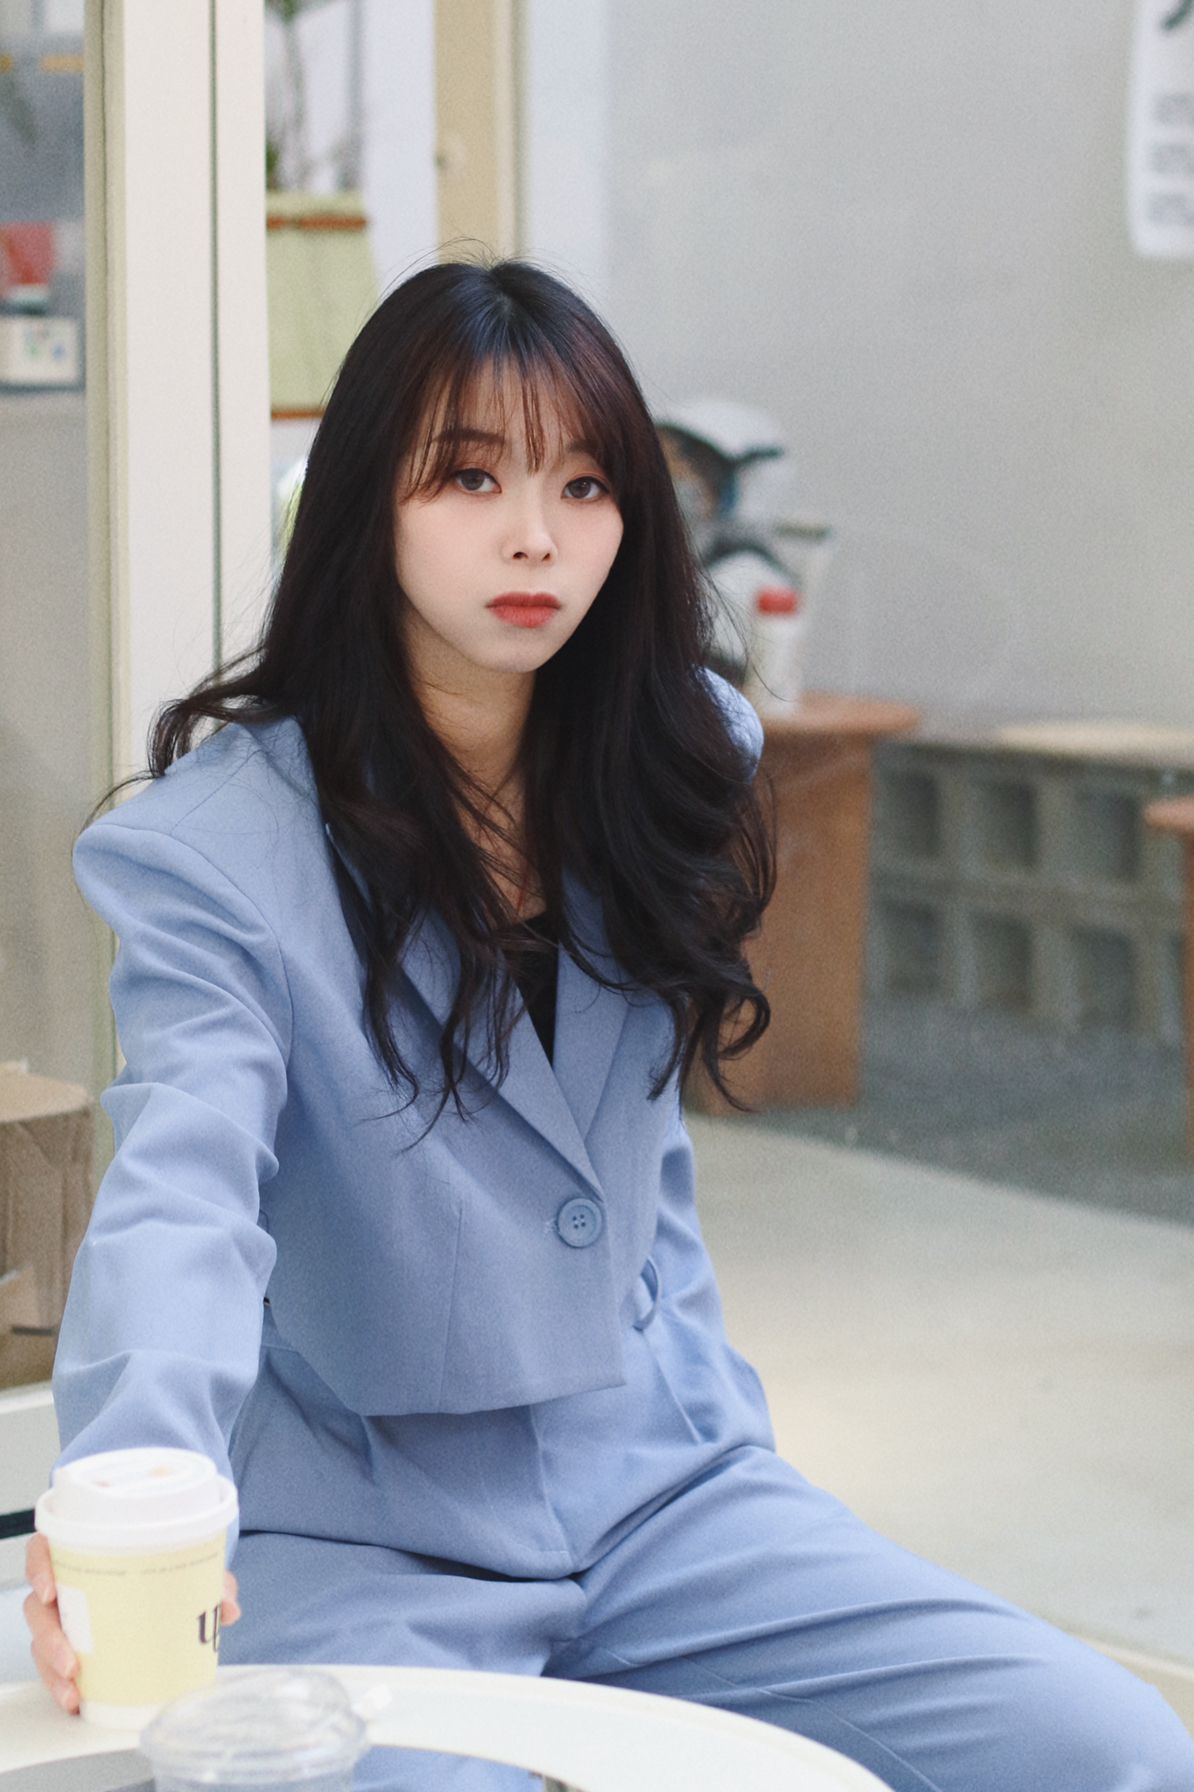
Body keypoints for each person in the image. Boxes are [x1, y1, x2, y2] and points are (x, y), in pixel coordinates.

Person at [24, 261, 1194, 1791]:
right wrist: (130, 1497)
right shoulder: (217, 849)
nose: (536, 536)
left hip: (662, 1494)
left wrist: (713, 1421)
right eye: (469, 477)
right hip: (364, 1538)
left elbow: (633, 1158)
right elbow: (183, 1193)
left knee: (1112, 1750)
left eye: (583, 484)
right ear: (366, 499)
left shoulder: (674, 757)